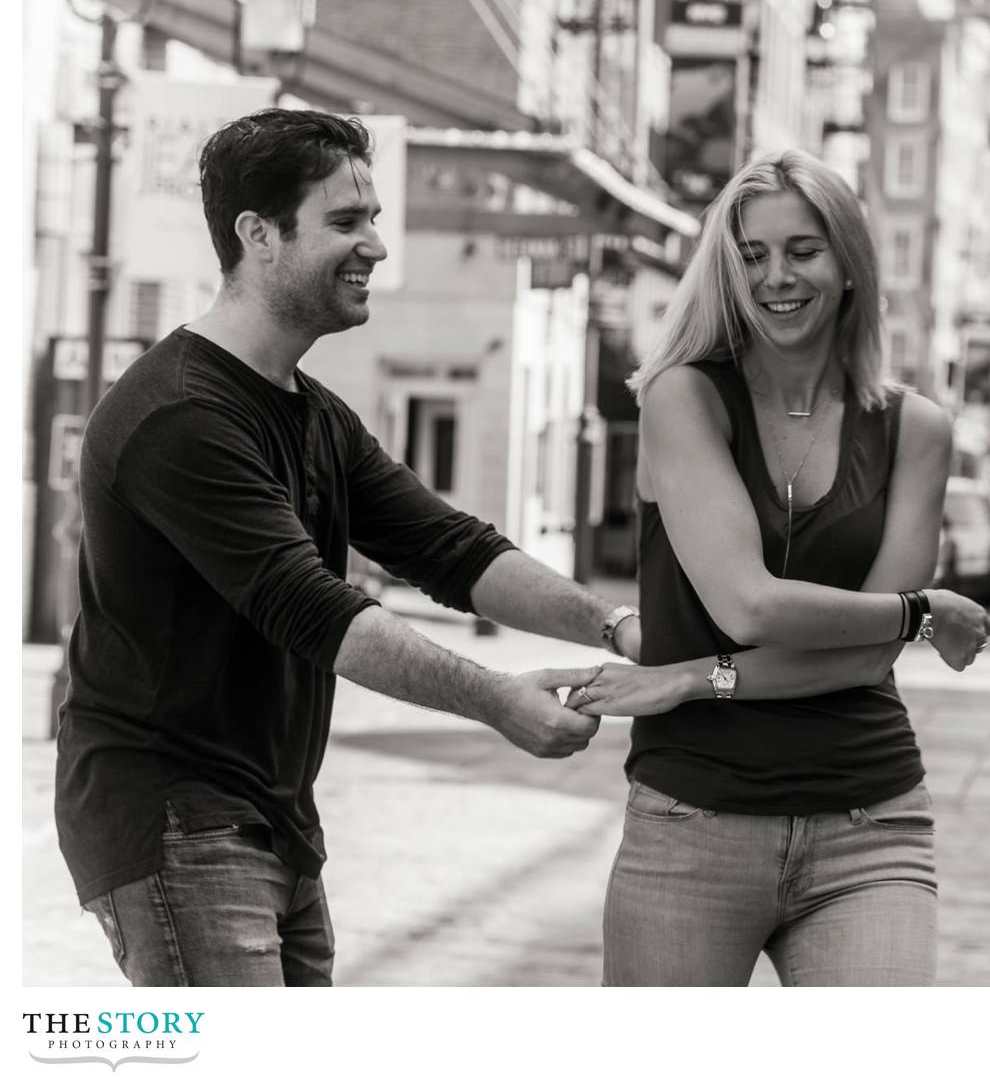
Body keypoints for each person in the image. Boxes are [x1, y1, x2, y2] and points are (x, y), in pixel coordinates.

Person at [55, 108, 637, 987]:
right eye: (346, 221)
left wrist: (616, 626)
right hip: (176, 817)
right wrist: (499, 703)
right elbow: (315, 611)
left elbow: (449, 549)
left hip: (273, 817)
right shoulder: (181, 416)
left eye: (373, 219)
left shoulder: (312, 411)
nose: (376, 246)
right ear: (259, 236)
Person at [562, 149, 990, 986]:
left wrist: (690, 680)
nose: (775, 278)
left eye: (802, 250)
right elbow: (749, 606)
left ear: (850, 266)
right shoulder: (681, 397)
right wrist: (921, 610)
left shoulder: (918, 430)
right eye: (751, 255)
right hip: (693, 822)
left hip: (869, 823)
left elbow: (863, 659)